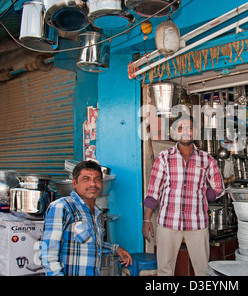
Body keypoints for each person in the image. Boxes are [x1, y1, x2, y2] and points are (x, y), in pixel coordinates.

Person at [142, 116, 225, 276]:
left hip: (197, 223)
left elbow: (218, 187)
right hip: (168, 222)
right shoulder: (164, 158)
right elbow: (153, 191)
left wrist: (205, 195)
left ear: (196, 132)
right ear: (174, 133)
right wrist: (147, 220)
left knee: (203, 271)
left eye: (190, 128)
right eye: (180, 128)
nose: (186, 132)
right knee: (164, 271)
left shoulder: (207, 159)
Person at [40, 160, 132, 276]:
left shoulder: (96, 213)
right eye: (86, 179)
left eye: (97, 179)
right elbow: (49, 254)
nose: (92, 184)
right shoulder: (63, 206)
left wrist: (115, 249)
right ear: (74, 183)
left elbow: (87, 244)